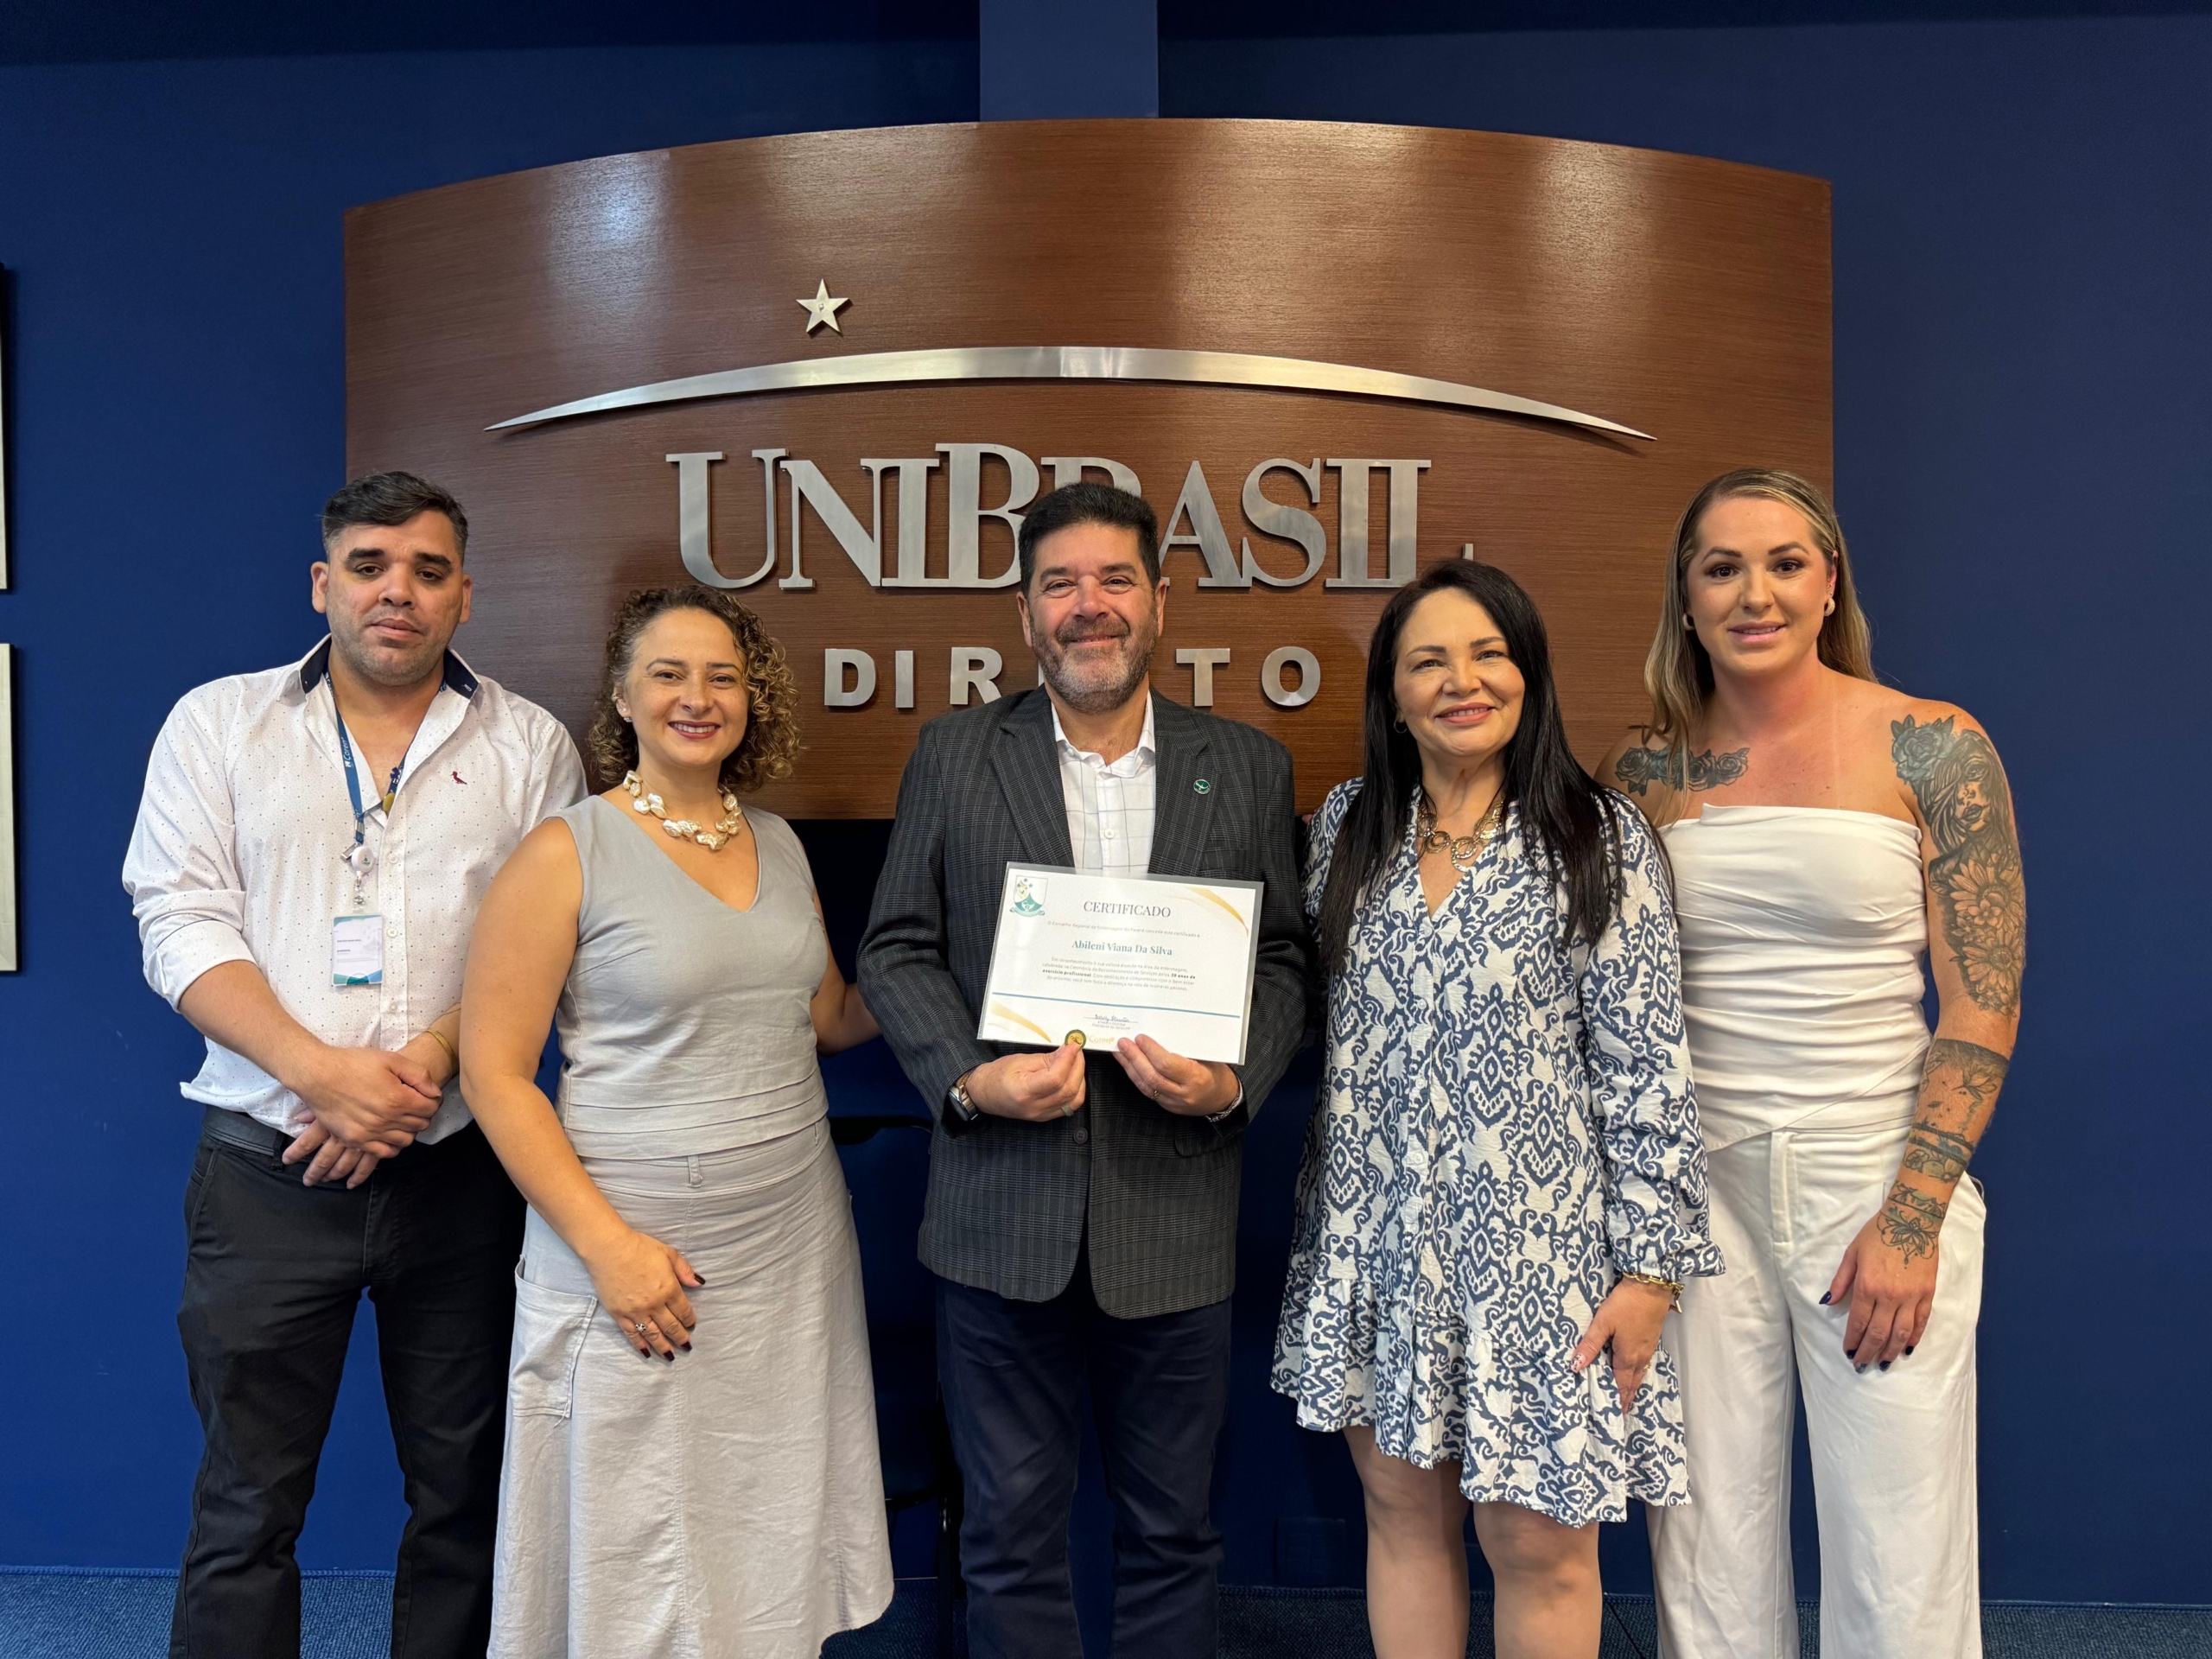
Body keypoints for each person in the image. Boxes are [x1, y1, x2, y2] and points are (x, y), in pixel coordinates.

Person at [121, 473, 586, 1659]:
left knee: (466, 1498)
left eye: (429, 571)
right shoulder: (218, 725)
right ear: (323, 584)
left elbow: (544, 946)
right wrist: (321, 1073)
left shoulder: (531, 745)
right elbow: (178, 924)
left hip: (459, 1174)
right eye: (371, 566)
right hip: (266, 1173)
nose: (398, 592)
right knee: (246, 1503)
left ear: (465, 596)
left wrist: (416, 1072)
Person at [858, 482, 1312, 1659]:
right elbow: (895, 947)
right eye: (1059, 584)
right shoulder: (955, 754)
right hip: (998, 1216)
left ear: (1160, 600)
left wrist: (1233, 1084)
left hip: (1173, 1217)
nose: (1088, 605)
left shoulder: (1246, 766)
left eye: (1113, 580)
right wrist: (971, 1081)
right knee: (1008, 1538)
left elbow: (1281, 960)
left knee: (1174, 1536)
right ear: (1025, 613)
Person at [1604, 469, 2024, 1659]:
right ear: (1685, 598)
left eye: (1785, 564)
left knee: (1900, 1559)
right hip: (1696, 1199)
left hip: (1875, 1180)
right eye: (1722, 568)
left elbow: (1982, 1003)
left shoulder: (1933, 745)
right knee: (1704, 1554)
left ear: (1829, 583)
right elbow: (1622, 1010)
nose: (1756, 594)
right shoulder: (1645, 772)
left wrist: (1914, 1215)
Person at [1275, 559, 1722, 1659]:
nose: (1461, 681)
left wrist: (1650, 1275)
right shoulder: (1346, 829)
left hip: (1541, 1262)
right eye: (1427, 662)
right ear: (1392, 696)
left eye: (1488, 654)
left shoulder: (1596, 836)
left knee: (1536, 1545)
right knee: (1401, 1517)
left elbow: (1647, 1068)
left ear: (1530, 673)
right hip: (1375, 1245)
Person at [458, 586, 892, 1656]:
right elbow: (495, 1075)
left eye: (723, 677)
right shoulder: (564, 851)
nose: (697, 698)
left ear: (752, 700)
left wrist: (965, 959)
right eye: (668, 674)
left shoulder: (780, 844)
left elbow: (828, 1019)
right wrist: (609, 1253)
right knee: (637, 1535)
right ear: (621, 696)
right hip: (633, 1252)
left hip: (792, 1244)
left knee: (766, 1507)